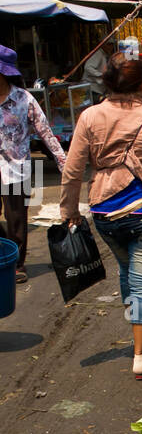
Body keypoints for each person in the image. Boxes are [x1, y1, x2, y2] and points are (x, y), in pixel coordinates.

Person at [60, 53, 142, 380]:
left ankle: (136, 326)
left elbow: (72, 170)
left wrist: (68, 211)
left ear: (106, 83)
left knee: (127, 270)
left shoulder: (89, 117)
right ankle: (140, 356)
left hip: (104, 212)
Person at [0, 44, 66, 283]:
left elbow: (46, 132)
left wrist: (63, 162)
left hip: (19, 167)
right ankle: (4, 254)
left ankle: (17, 264)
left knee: (17, 218)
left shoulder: (24, 98)